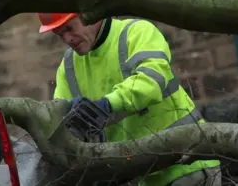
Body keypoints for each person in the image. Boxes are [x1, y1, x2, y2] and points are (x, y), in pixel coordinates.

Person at [38, 13, 221, 186]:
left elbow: (152, 81)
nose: (67, 39)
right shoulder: (68, 68)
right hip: (145, 176)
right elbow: (60, 120)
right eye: (60, 34)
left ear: (87, 15)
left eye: (69, 28)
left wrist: (106, 105)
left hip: (188, 164)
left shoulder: (137, 32)